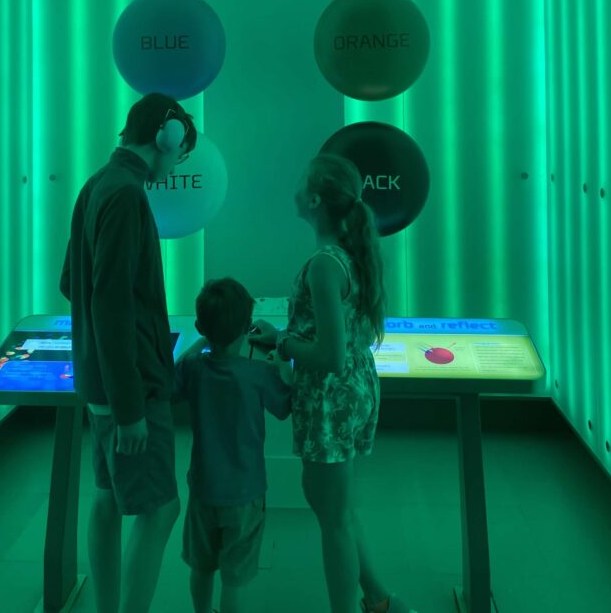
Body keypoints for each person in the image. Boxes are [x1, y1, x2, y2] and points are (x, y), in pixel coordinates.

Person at [60, 92, 417, 613]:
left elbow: (77, 285)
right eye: (180, 154)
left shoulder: (97, 185)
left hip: (102, 384)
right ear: (167, 137)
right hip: (129, 389)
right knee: (158, 510)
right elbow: (111, 303)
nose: (177, 165)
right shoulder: (127, 195)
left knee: (110, 497)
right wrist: (133, 401)